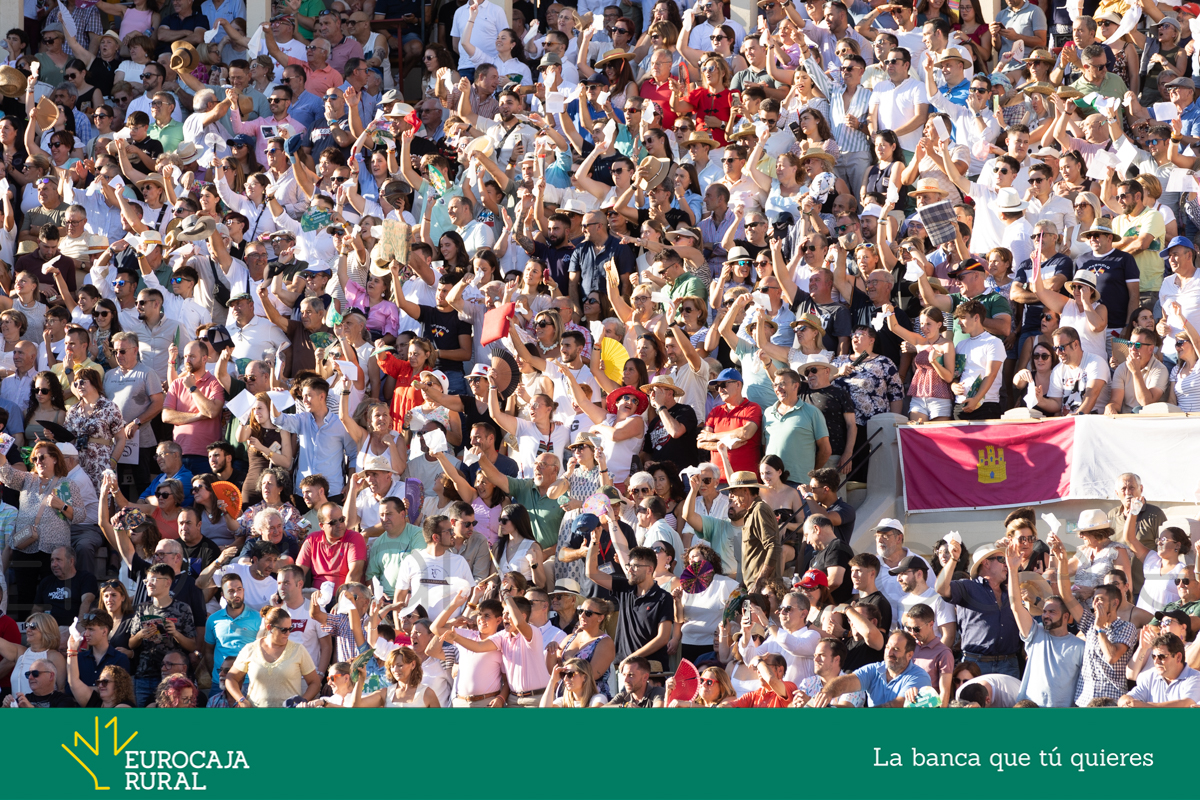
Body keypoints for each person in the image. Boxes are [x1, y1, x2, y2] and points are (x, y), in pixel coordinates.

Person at [1003, 538, 1084, 707]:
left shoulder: (1079, 646)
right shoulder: (1035, 633)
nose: (1046, 615)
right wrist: (1012, 570)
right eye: (1045, 611)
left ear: (1066, 617)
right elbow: (1016, 606)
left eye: (1052, 611)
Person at [936, 539, 1020, 678]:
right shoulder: (968, 586)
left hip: (1009, 663)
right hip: (975, 664)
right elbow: (941, 589)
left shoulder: (1011, 590)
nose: (1006, 564)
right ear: (986, 563)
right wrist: (953, 559)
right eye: (1001, 559)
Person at [225, 606, 319, 708]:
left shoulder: (298, 650)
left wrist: (302, 702)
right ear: (269, 628)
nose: (288, 633)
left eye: (290, 629)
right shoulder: (250, 649)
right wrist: (241, 700)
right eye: (283, 630)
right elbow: (231, 678)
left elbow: (315, 682)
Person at [812, 630, 933, 707]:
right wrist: (828, 692)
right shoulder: (874, 669)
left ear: (909, 655)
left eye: (896, 649)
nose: (889, 653)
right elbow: (846, 681)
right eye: (887, 647)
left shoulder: (919, 677)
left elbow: (898, 705)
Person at [1118, 633, 1200, 707]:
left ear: (1178, 657)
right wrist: (1127, 702)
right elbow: (1125, 698)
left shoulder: (1195, 677)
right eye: (1154, 656)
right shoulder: (1151, 676)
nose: (1156, 661)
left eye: (1161, 657)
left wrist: (1145, 706)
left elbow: (1186, 704)